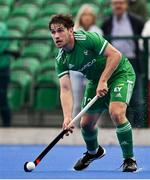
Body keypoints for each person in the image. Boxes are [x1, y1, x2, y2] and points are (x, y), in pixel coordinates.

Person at [49, 14, 137, 172]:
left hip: (120, 73)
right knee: (86, 124)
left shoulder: (86, 39)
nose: (56, 36)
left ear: (71, 30)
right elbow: (65, 89)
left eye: (60, 30)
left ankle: (129, 159)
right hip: (95, 81)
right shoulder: (61, 59)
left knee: (116, 113)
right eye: (53, 32)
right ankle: (94, 152)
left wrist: (104, 80)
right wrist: (67, 117)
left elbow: (115, 55)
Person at [101, 0, 145, 127]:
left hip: (133, 61)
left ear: (126, 5)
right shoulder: (107, 23)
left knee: (136, 96)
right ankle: (118, 127)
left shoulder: (137, 21)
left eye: (121, 3)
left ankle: (138, 127)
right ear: (112, 5)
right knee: (115, 96)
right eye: (115, 3)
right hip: (114, 63)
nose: (118, 5)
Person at [71, 4, 103, 121]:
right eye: (85, 14)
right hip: (76, 71)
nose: (87, 17)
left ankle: (94, 126)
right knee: (77, 102)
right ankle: (73, 127)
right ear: (80, 16)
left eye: (90, 15)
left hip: (93, 71)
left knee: (92, 101)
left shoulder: (97, 31)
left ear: (93, 17)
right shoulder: (74, 31)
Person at [0, 22, 11, 127]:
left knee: (2, 96)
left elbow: (2, 45)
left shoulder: (2, 27)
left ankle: (7, 124)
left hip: (2, 68)